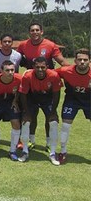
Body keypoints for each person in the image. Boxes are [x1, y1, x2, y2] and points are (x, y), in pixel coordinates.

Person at [17, 23, 69, 151]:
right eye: (32, 30)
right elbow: (14, 56)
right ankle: (31, 140)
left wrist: (73, 73)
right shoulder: (23, 45)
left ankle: (48, 142)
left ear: (42, 32)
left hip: (47, 84)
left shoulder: (50, 45)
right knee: (31, 115)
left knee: (49, 116)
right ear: (29, 32)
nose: (35, 32)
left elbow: (62, 62)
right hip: (31, 84)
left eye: (37, 30)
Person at [19, 57, 62, 165]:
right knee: (26, 122)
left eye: (43, 67)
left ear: (47, 67)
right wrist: (26, 112)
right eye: (37, 67)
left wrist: (53, 112)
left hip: (47, 99)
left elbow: (57, 94)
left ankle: (52, 153)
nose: (40, 70)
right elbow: (23, 95)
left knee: (53, 122)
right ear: (33, 67)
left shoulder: (54, 75)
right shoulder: (28, 75)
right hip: (31, 98)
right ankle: (25, 150)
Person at [55, 48, 91, 164]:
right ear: (75, 60)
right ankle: (63, 152)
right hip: (72, 100)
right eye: (79, 59)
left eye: (85, 60)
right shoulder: (66, 71)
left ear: (89, 61)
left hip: (89, 101)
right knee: (65, 125)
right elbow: (50, 73)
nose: (82, 62)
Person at [0, 60, 22, 161]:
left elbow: (19, 90)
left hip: (10, 103)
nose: (10, 72)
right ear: (1, 71)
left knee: (16, 124)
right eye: (7, 70)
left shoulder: (19, 78)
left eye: (12, 70)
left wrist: (15, 101)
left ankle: (12, 151)